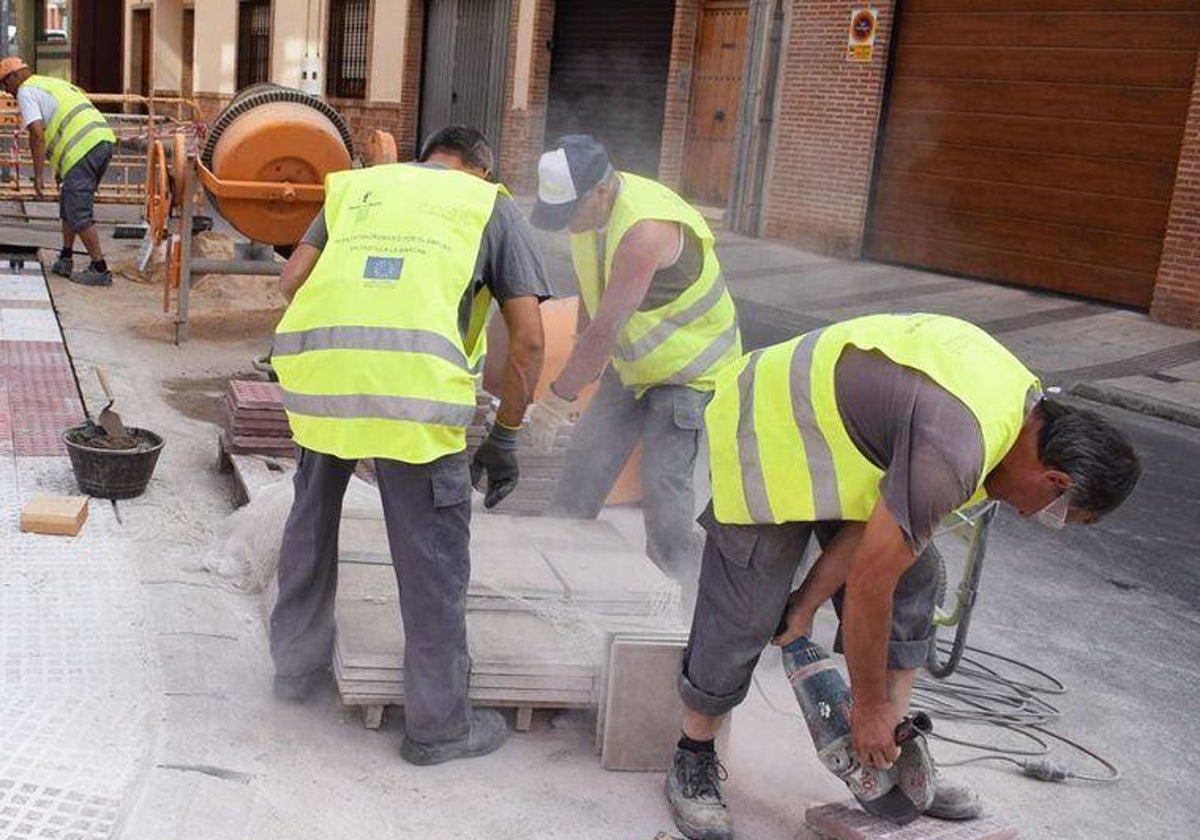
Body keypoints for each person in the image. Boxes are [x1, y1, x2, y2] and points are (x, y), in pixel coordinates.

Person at [664, 313, 1141, 840]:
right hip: (772, 424)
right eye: (1060, 515)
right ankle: (694, 752)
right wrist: (863, 706)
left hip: (846, 443)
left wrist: (803, 610)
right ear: (1054, 479)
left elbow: (879, 532)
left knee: (916, 575)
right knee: (748, 602)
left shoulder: (1013, 421)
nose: (1034, 518)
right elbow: (871, 582)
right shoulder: (959, 448)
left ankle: (892, 749)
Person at [268, 126, 551, 765]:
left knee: (309, 523)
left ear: (427, 159)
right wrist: (506, 434)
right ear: (482, 169)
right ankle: (438, 727)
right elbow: (529, 337)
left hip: (325, 384)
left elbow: (292, 279)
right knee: (432, 560)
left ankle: (294, 670)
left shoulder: (359, 188)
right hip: (415, 400)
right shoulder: (489, 204)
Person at [527, 134, 741, 592]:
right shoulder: (593, 219)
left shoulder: (646, 230)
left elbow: (606, 329)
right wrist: (578, 355)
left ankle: (673, 596)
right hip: (638, 368)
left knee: (665, 488)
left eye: (571, 213)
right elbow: (591, 299)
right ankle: (556, 556)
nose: (568, 225)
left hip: (690, 372)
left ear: (599, 191)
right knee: (587, 454)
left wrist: (557, 398)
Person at [0, 57, 115, 286]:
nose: (7, 92)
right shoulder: (49, 83)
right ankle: (66, 256)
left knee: (78, 211)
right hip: (100, 141)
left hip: (84, 148)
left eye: (5, 85)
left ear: (14, 77)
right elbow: (62, 119)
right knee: (69, 203)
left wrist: (39, 177)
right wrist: (61, 169)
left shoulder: (26, 91)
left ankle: (100, 268)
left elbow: (37, 134)